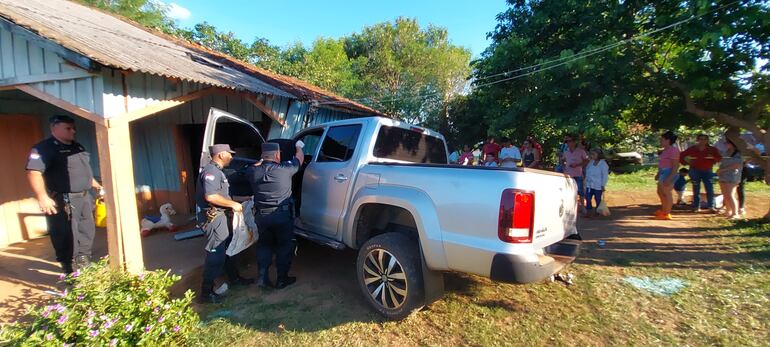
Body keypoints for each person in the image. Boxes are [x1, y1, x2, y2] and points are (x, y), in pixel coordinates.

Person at [26, 115, 103, 274]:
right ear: (54, 128)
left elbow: (82, 170)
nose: (73, 131)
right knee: (66, 234)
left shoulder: (77, 146)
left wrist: (95, 185)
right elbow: (34, 172)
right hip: (64, 199)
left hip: (83, 196)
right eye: (68, 128)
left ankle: (84, 263)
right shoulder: (43, 148)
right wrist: (42, 197)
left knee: (86, 231)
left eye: (73, 128)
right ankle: (70, 270)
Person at [196, 144, 253, 304]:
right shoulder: (211, 172)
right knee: (216, 255)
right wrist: (233, 205)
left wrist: (242, 199)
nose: (232, 157)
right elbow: (211, 197)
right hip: (213, 219)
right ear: (221, 155)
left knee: (228, 250)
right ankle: (206, 293)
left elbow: (224, 195)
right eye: (229, 154)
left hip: (221, 217)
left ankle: (235, 279)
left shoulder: (218, 172)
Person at [248, 141, 305, 289]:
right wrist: (299, 147)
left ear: (262, 156)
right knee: (284, 247)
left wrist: (261, 161)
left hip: (262, 216)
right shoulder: (285, 169)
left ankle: (262, 278)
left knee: (264, 246)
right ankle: (281, 279)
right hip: (282, 216)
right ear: (277, 155)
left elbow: (254, 166)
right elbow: (300, 159)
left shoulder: (252, 172)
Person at [680, 134, 721, 212]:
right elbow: (681, 156)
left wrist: (713, 158)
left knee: (709, 188)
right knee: (696, 188)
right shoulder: (692, 149)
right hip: (694, 170)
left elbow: (719, 158)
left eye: (704, 139)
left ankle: (711, 207)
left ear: (707, 140)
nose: (702, 141)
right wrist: (687, 161)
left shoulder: (712, 149)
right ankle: (696, 206)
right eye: (701, 139)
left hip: (707, 170)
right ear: (698, 140)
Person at [655, 131, 680, 220]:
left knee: (666, 193)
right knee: (660, 192)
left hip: (668, 172)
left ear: (668, 140)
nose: (660, 141)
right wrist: (658, 173)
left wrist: (670, 177)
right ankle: (663, 210)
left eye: (662, 139)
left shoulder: (674, 150)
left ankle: (667, 213)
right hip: (663, 172)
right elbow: (662, 163)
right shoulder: (665, 150)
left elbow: (676, 165)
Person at [716, 138, 743, 219]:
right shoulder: (726, 152)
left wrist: (723, 170)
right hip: (723, 175)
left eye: (727, 143)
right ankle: (728, 212)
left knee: (730, 195)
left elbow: (737, 165)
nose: (725, 144)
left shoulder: (738, 154)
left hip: (732, 176)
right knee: (726, 195)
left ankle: (735, 213)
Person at [563, 134, 589, 212]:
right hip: (568, 175)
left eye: (570, 141)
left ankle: (583, 207)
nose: (568, 143)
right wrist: (564, 166)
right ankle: (571, 207)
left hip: (578, 173)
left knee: (580, 190)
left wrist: (578, 165)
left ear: (574, 142)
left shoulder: (581, 151)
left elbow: (586, 161)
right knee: (569, 191)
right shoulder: (566, 152)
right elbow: (563, 160)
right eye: (567, 142)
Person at [584, 148, 609, 217]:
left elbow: (605, 175)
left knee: (598, 199)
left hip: (598, 185)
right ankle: (589, 211)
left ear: (599, 155)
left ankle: (598, 212)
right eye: (591, 154)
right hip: (589, 184)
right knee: (588, 197)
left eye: (593, 154)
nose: (592, 156)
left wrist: (603, 185)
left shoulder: (603, 164)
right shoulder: (591, 162)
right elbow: (587, 172)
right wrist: (585, 181)